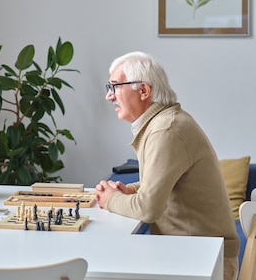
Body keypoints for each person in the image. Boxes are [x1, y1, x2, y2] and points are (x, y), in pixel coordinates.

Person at [93, 52, 239, 280]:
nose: (108, 96)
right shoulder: (166, 122)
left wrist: (109, 199)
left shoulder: (166, 130)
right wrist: (131, 190)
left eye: (114, 87)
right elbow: (169, 181)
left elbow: (148, 210)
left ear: (143, 91)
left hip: (203, 263)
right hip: (193, 255)